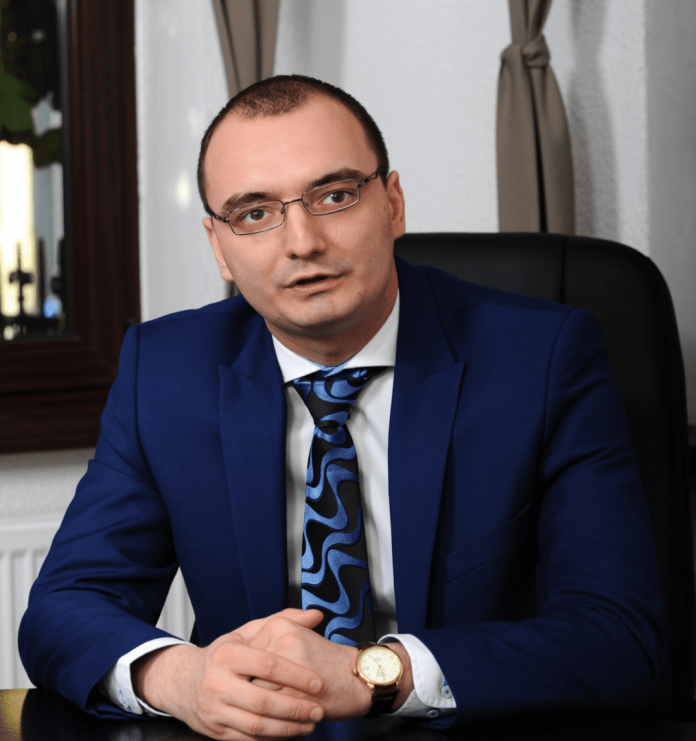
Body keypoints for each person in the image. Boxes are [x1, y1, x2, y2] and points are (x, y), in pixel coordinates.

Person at [19, 75, 663, 739]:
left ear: (393, 204)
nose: (302, 243)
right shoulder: (165, 371)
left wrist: (373, 674)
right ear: (219, 247)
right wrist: (182, 677)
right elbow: (64, 609)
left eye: (334, 195)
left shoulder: (542, 359)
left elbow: (618, 635)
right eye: (254, 213)